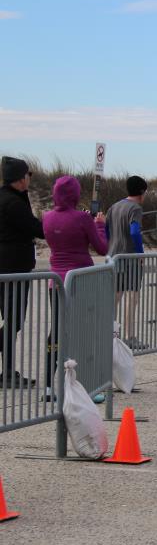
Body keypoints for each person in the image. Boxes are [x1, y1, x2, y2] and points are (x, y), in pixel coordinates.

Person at [42, 176, 108, 398]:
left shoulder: (47, 217)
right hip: (80, 281)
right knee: (83, 333)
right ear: (75, 194)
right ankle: (83, 386)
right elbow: (102, 248)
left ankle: (49, 386)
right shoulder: (82, 218)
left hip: (56, 283)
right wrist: (100, 225)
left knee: (57, 332)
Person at [0, 156, 44, 387]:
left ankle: (8, 371)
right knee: (14, 319)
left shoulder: (11, 198)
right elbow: (35, 227)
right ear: (19, 178)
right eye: (28, 175)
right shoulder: (13, 203)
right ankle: (8, 372)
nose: (29, 178)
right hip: (13, 268)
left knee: (12, 319)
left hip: (10, 267)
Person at [106, 175, 148, 350]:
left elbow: (107, 231)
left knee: (115, 297)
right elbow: (134, 231)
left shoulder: (113, 207)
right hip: (130, 258)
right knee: (132, 297)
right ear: (142, 191)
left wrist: (111, 246)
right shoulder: (135, 208)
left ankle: (111, 334)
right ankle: (130, 336)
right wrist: (140, 253)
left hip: (113, 256)